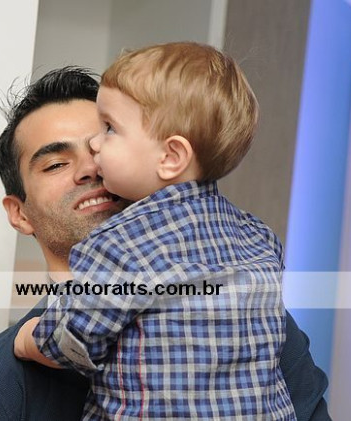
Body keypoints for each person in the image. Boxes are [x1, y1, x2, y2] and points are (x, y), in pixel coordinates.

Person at [0, 66, 331, 421]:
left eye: (104, 142)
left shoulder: (246, 315)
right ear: (19, 213)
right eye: (56, 164)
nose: (91, 168)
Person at [15, 43, 294, 420]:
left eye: (109, 129)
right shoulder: (258, 237)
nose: (95, 145)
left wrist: (29, 340)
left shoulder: (118, 246)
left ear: (171, 157)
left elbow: (73, 341)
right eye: (56, 164)